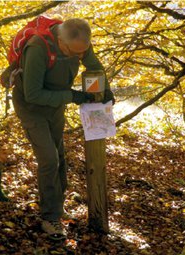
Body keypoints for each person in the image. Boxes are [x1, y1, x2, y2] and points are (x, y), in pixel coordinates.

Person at [11, 18, 114, 240]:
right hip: (31, 108)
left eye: (82, 52)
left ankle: (56, 206)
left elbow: (94, 66)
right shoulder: (38, 48)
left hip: (55, 106)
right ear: (60, 40)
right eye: (73, 53)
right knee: (49, 159)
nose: (79, 56)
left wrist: (105, 89)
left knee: (59, 155)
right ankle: (49, 218)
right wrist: (73, 96)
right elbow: (33, 94)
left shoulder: (78, 42)